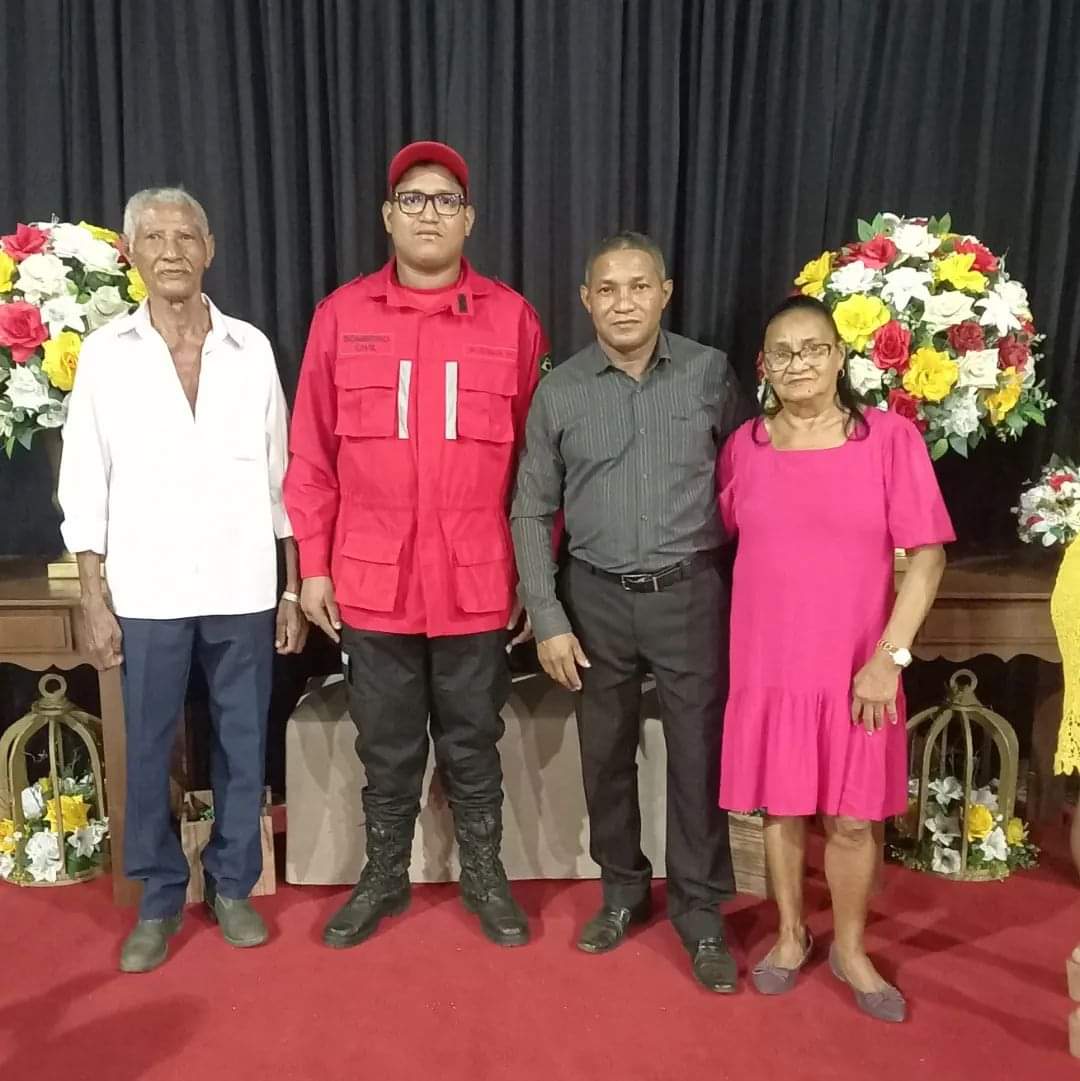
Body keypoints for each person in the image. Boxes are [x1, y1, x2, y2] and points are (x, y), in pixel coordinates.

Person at [285, 141, 547, 950]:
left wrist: (533, 580)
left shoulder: (512, 317)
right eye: (412, 199)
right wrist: (315, 568)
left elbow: (540, 472)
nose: (428, 212)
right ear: (387, 217)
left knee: (474, 739)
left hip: (477, 581)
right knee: (385, 743)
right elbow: (310, 456)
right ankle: (384, 876)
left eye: (443, 199)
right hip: (372, 582)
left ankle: (484, 876)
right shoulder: (342, 315)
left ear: (468, 219)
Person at [59, 187, 306, 973]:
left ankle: (232, 883)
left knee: (244, 739)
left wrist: (294, 587)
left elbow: (283, 478)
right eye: (154, 236)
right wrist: (92, 597)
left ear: (210, 249)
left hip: (242, 586)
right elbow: (84, 484)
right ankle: (160, 895)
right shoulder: (106, 355)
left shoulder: (252, 348)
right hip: (148, 591)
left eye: (185, 235)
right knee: (148, 749)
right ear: (131, 253)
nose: (171, 249)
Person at [511, 231, 749, 992]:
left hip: (691, 593)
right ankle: (620, 891)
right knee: (605, 751)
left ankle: (701, 909)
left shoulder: (711, 374)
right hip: (595, 599)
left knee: (697, 755)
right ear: (585, 299)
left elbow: (750, 484)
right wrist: (546, 613)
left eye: (638, 286)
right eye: (606, 289)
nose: (623, 302)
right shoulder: (561, 389)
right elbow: (529, 509)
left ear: (665, 292)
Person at [717, 293, 953, 1021]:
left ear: (840, 356)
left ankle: (850, 946)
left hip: (860, 666)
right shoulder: (744, 448)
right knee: (782, 808)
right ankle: (790, 934)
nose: (798, 364)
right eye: (782, 353)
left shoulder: (887, 439)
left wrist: (891, 656)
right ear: (764, 365)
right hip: (770, 664)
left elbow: (928, 558)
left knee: (853, 819)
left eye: (813, 348)